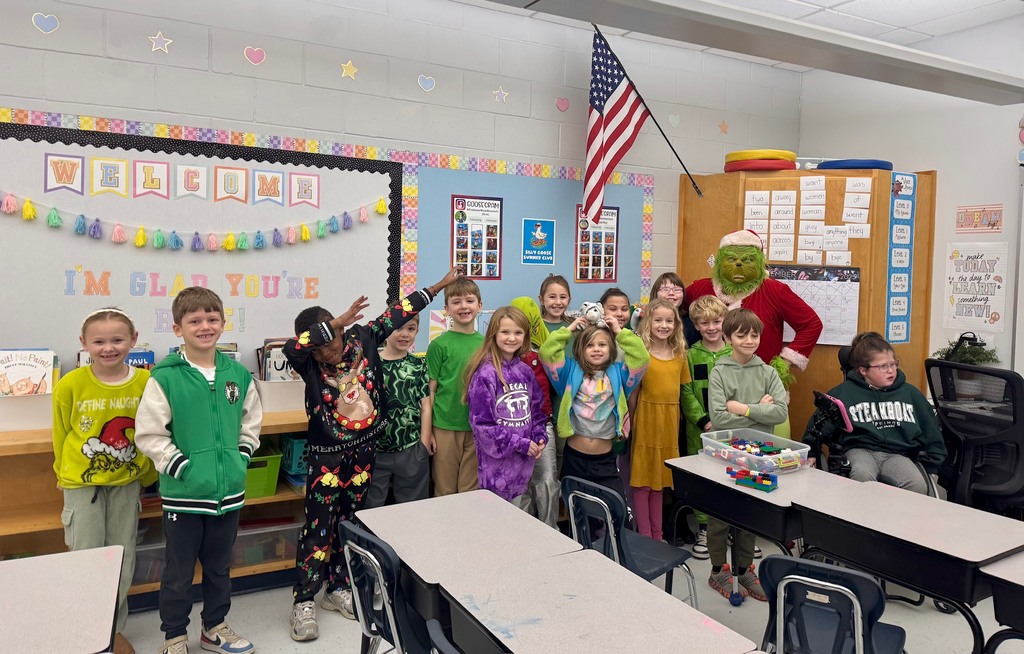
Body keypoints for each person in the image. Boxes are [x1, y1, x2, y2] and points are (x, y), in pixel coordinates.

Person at [285, 267, 461, 642]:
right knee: (319, 527)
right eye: (321, 350)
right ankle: (303, 600)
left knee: (351, 523)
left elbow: (399, 313)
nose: (329, 354)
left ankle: (339, 588)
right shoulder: (308, 361)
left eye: (332, 344)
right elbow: (293, 347)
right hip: (326, 457)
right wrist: (331, 324)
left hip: (364, 452)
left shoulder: (363, 339)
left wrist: (440, 286)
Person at [135, 288, 263, 654]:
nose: (204, 326)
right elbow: (149, 432)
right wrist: (181, 467)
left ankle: (214, 627)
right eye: (194, 320)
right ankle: (175, 635)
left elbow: (251, 421)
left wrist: (242, 455)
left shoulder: (237, 373)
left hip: (229, 494)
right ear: (178, 329)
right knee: (177, 573)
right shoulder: (165, 377)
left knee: (220, 568)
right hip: (184, 494)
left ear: (223, 323)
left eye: (212, 319)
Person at [52, 308, 156, 654]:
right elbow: (61, 433)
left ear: (133, 340)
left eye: (117, 340)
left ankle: (112, 630)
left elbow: (153, 430)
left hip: (126, 485)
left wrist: (147, 474)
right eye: (99, 341)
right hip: (81, 487)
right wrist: (64, 476)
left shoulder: (145, 382)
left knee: (121, 558)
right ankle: (84, 630)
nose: (108, 348)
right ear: (84, 343)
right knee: (84, 557)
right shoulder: (71, 384)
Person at [705, 308, 788, 604]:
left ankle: (744, 569)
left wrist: (741, 408)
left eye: (754, 334)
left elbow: (780, 412)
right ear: (727, 337)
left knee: (750, 511)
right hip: (725, 452)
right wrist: (758, 409)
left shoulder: (767, 372)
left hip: (758, 454)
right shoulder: (720, 371)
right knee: (720, 514)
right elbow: (718, 418)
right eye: (741, 334)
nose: (749, 340)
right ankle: (718, 569)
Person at [811, 332, 945, 494]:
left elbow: (931, 432)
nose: (891, 370)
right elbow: (817, 426)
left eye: (893, 364)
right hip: (860, 450)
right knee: (862, 474)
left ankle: (897, 519)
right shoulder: (844, 393)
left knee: (917, 484)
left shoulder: (910, 394)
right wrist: (811, 451)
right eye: (883, 366)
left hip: (897, 454)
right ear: (863, 370)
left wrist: (933, 465)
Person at [540, 312, 649, 502]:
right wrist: (569, 329)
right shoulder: (569, 372)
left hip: (605, 461)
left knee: (616, 513)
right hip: (574, 459)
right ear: (580, 349)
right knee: (578, 515)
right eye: (590, 345)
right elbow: (547, 353)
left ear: (611, 348)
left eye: (602, 344)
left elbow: (641, 358)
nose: (596, 349)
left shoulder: (619, 374)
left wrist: (619, 331)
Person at [466, 306, 548, 504]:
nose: (512, 338)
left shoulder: (526, 371)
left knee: (515, 521)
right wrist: (519, 444)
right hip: (495, 473)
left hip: (521, 470)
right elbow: (483, 426)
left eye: (518, 332)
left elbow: (537, 411)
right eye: (505, 332)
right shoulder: (486, 374)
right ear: (494, 334)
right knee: (494, 525)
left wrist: (539, 436)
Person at [630, 299, 691, 541]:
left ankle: (658, 535)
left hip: (668, 424)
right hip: (646, 420)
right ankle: (645, 535)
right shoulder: (642, 353)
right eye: (658, 320)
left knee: (659, 484)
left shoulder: (680, 354)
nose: (663, 325)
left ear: (676, 324)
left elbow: (683, 392)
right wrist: (632, 424)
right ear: (648, 322)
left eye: (669, 321)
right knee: (643, 483)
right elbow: (633, 394)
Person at [680, 295, 732, 559]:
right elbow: (687, 391)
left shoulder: (735, 354)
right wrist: (704, 421)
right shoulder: (691, 355)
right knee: (703, 478)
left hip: (732, 431)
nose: (712, 327)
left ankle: (735, 528)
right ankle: (704, 528)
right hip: (700, 430)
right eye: (705, 323)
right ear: (696, 325)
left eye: (717, 321)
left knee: (732, 477)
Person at [364, 314, 431, 509]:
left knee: (413, 507)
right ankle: (371, 540)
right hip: (375, 449)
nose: (404, 334)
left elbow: (426, 406)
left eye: (410, 329)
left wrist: (423, 445)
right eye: (398, 328)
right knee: (371, 506)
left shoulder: (418, 365)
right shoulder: (370, 363)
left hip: (410, 447)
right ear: (385, 330)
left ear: (417, 331)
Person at [427, 276, 484, 497]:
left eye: (469, 301)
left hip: (476, 427)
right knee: (445, 489)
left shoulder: (487, 344)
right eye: (456, 301)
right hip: (445, 426)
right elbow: (430, 391)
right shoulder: (439, 345)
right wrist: (430, 431)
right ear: (446, 309)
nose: (463, 306)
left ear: (479, 305)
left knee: (470, 491)